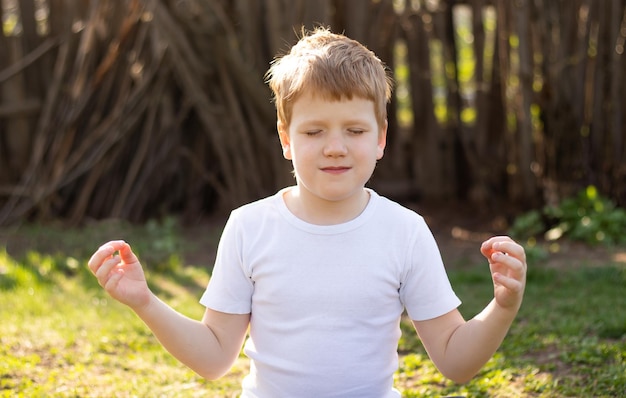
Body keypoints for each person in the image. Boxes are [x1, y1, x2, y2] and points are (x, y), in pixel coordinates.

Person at [88, 27, 527, 397]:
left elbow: (454, 359)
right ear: (285, 137)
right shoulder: (249, 227)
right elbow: (214, 356)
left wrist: (502, 307)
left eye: (354, 130)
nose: (335, 146)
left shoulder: (405, 232)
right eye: (314, 130)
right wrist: (144, 302)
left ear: (380, 137)